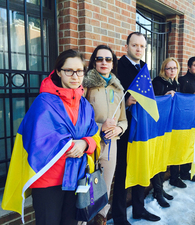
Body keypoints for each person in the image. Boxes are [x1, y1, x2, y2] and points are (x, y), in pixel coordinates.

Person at [3, 49, 100, 225]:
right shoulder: (44, 102)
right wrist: (72, 145)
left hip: (76, 177)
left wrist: (86, 143)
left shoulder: (85, 105)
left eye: (79, 71)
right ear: (58, 72)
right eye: (68, 70)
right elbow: (37, 140)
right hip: (48, 179)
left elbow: (94, 135)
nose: (75, 76)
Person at [112, 32, 160, 225]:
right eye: (135, 46)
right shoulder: (117, 67)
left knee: (141, 167)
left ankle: (139, 210)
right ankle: (119, 217)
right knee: (122, 174)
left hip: (142, 130)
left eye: (142, 46)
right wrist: (126, 101)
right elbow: (110, 99)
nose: (139, 49)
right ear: (127, 47)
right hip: (124, 130)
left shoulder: (144, 68)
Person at [83, 45, 128, 225]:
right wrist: (101, 126)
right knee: (86, 190)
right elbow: (78, 119)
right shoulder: (86, 85)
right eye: (99, 59)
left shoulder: (118, 89)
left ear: (113, 63)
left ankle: (101, 220)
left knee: (104, 189)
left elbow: (124, 120)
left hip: (111, 145)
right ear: (94, 62)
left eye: (108, 59)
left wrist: (119, 129)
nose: (104, 62)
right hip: (90, 143)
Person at [151, 57, 180, 207]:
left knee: (164, 159)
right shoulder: (158, 81)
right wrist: (165, 97)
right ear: (164, 69)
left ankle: (160, 189)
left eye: (174, 68)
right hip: (158, 127)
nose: (172, 71)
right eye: (169, 68)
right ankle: (157, 191)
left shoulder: (176, 83)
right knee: (158, 159)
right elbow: (153, 103)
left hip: (170, 126)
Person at [168, 56, 195, 187]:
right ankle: (174, 177)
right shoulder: (182, 80)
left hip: (191, 121)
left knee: (188, 146)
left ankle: (185, 172)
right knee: (178, 148)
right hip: (179, 122)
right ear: (188, 67)